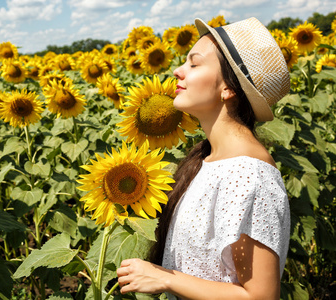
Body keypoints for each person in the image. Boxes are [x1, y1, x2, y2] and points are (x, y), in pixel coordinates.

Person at [116, 17, 291, 299]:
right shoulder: (208, 159)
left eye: (194, 64)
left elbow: (259, 296)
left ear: (229, 89)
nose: (177, 71)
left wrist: (166, 279)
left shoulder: (249, 176)